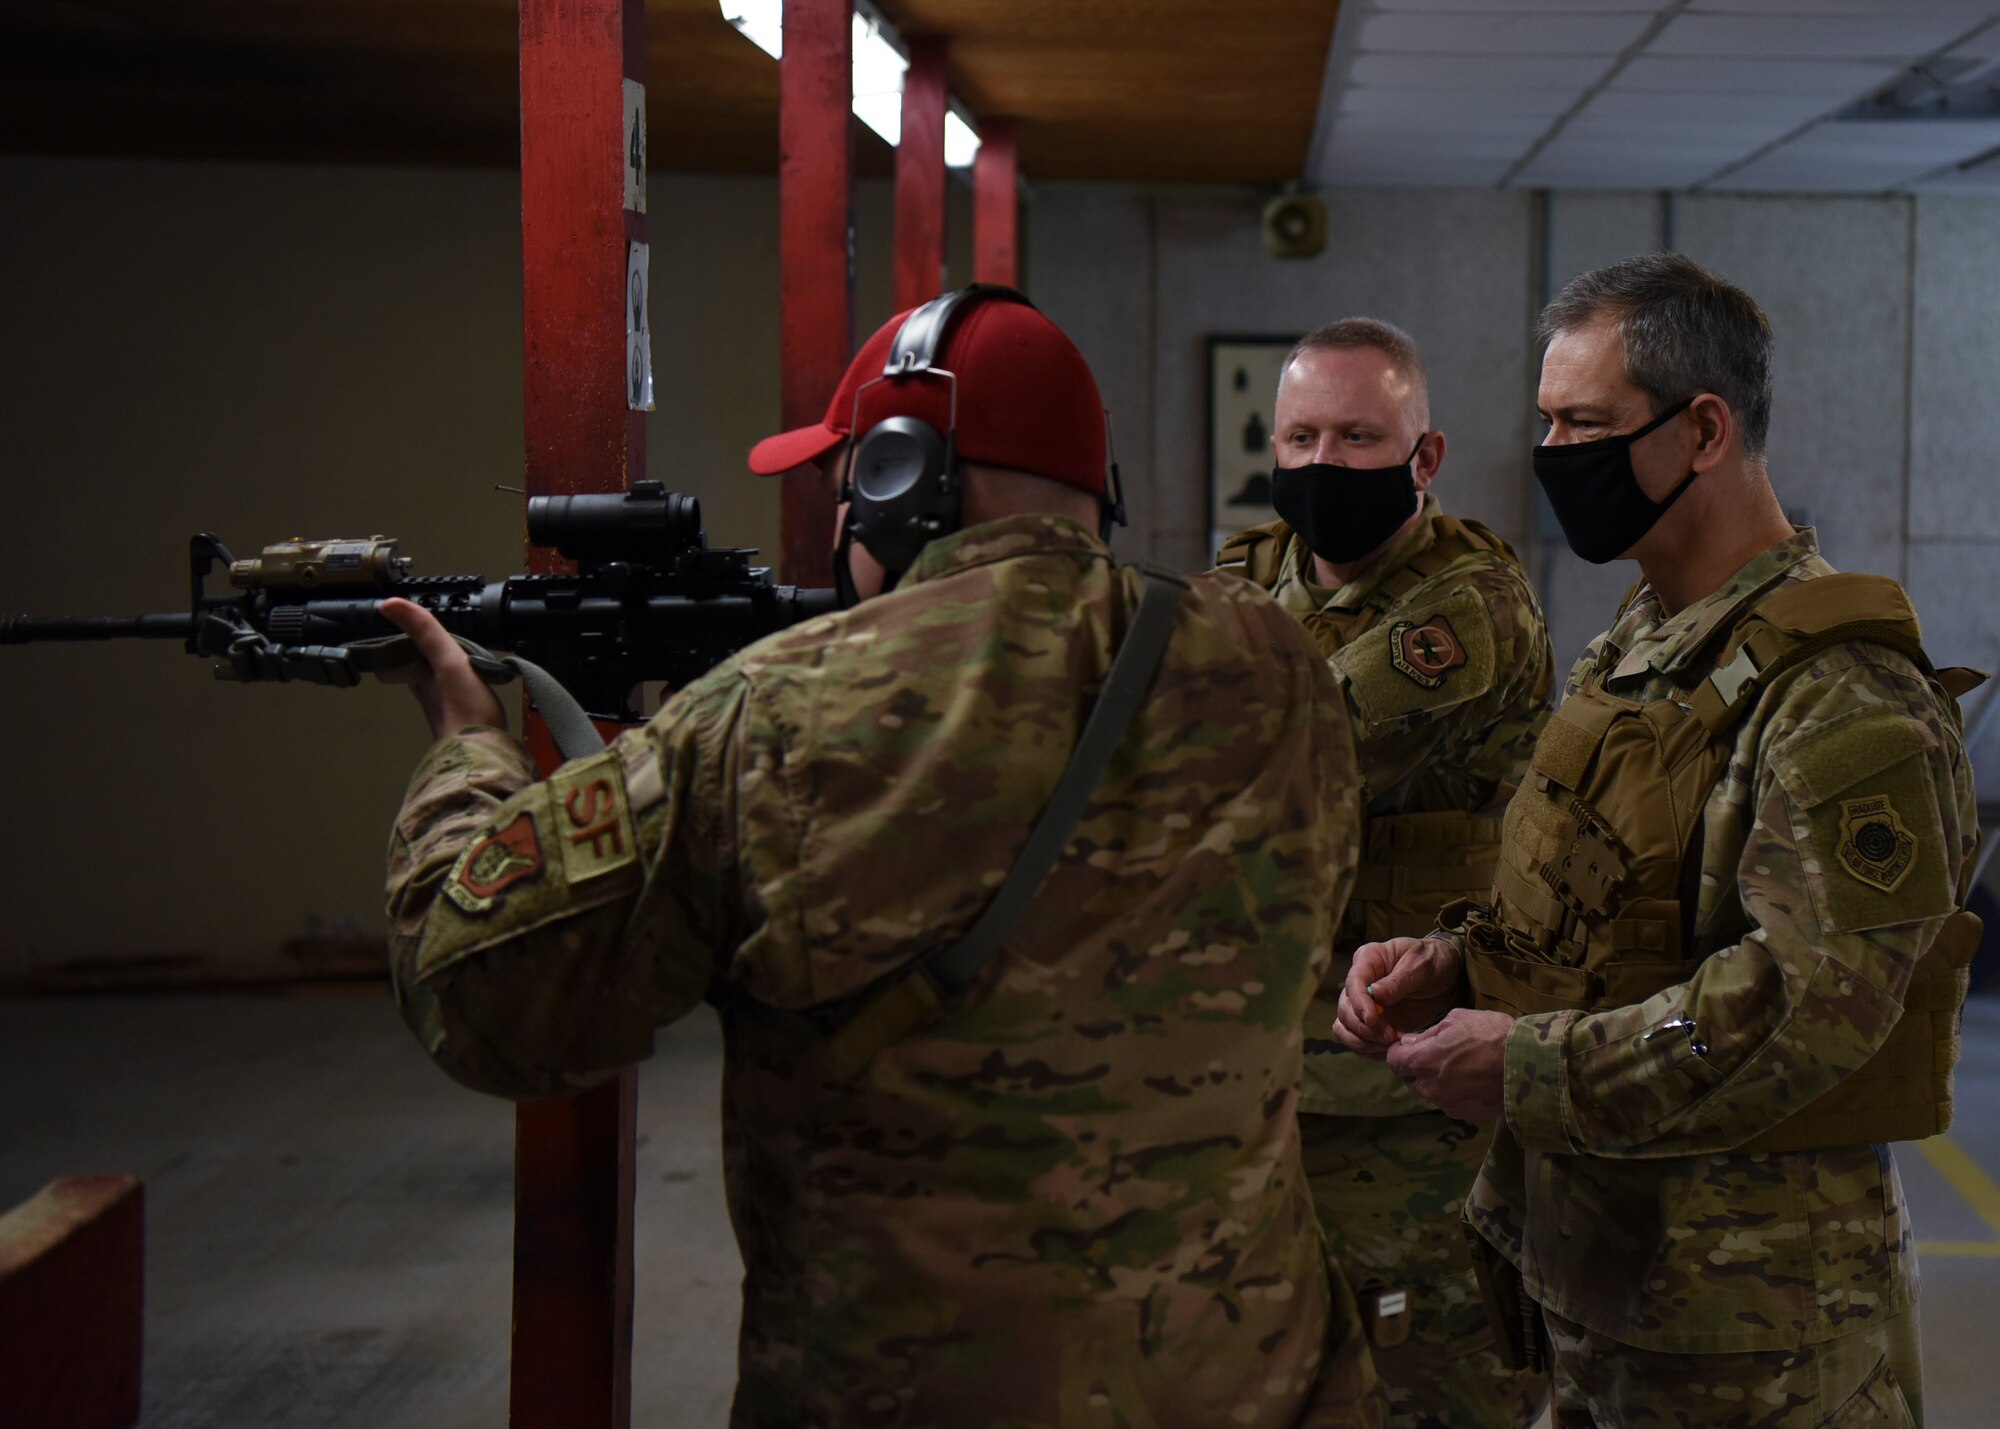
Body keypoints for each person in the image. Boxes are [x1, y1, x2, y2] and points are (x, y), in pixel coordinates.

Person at [378, 287, 1385, 1428]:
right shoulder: (1278, 666)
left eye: (845, 481)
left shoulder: (774, 713)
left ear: (906, 480)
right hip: (1254, 1381)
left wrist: (466, 755)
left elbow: (483, 994)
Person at [1336, 253, 1982, 1427]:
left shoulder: (1841, 698)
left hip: (1744, 1320)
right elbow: (1597, 904)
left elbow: (1809, 1003)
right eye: (1544, 421)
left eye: (1584, 423)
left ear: (1701, 430)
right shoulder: (1644, 643)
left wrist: (1524, 1066)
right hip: (1601, 1277)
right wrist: (1459, 962)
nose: (1553, 457)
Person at [1216, 320, 1552, 1429]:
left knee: (1427, 1383)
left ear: (1424, 457)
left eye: (1358, 438)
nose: (1322, 464)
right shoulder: (1250, 573)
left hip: (1408, 1090)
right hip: (1265, 1073)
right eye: (1300, 435)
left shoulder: (1466, 610)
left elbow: (1267, 751)